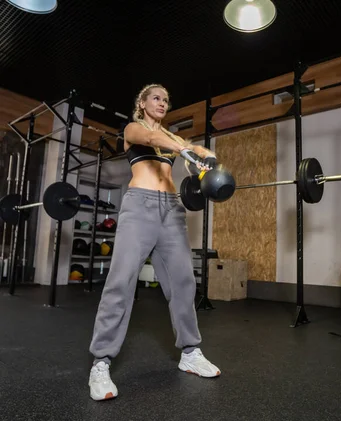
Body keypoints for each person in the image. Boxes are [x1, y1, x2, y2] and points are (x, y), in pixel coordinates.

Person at [87, 84, 220, 401]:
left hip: (172, 210)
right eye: (157, 98)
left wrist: (208, 158)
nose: (163, 102)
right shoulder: (134, 128)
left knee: (184, 282)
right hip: (140, 207)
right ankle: (101, 363)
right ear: (143, 103)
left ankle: (190, 352)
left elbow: (200, 152)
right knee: (121, 281)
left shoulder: (174, 139)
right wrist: (184, 149)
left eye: (166, 100)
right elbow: (151, 138)